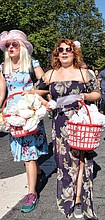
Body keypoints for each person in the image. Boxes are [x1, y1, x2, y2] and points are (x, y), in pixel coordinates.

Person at [36, 39, 101, 219]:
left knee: (82, 161)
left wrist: (84, 95)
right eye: (60, 50)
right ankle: (66, 200)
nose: (64, 52)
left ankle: (79, 199)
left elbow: (97, 93)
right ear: (56, 53)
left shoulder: (84, 73)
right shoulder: (50, 74)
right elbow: (35, 91)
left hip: (81, 122)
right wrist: (47, 103)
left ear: (74, 53)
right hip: (60, 123)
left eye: (68, 49)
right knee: (64, 163)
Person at [0, 30, 48, 213]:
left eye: (15, 44)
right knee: (23, 153)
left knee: (28, 154)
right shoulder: (3, 67)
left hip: (29, 113)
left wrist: (32, 92)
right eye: (7, 45)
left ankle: (31, 193)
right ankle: (39, 173)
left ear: (22, 47)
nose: (11, 47)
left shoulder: (32, 64)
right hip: (12, 115)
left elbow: (45, 86)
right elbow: (1, 93)